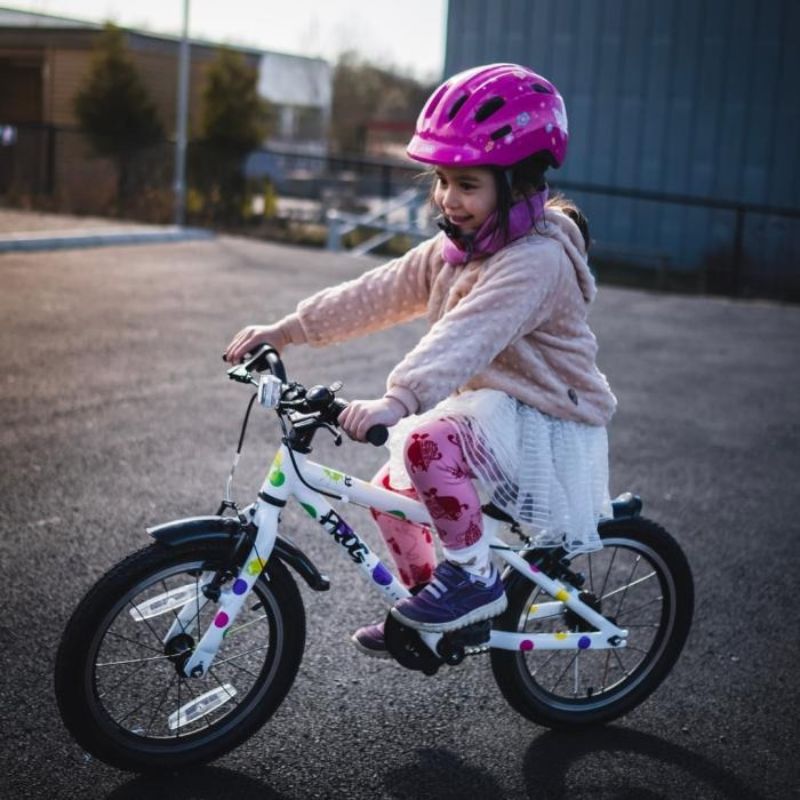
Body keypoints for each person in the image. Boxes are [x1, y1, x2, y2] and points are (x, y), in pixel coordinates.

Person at [224, 63, 616, 658]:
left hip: (544, 414)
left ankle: (473, 580)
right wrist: (288, 330)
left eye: (468, 184)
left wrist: (398, 398)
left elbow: (465, 335)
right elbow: (377, 290)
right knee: (391, 493)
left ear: (519, 182)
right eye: (441, 180)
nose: (448, 199)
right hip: (489, 404)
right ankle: (433, 614)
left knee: (423, 446)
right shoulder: (460, 245)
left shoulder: (535, 261)